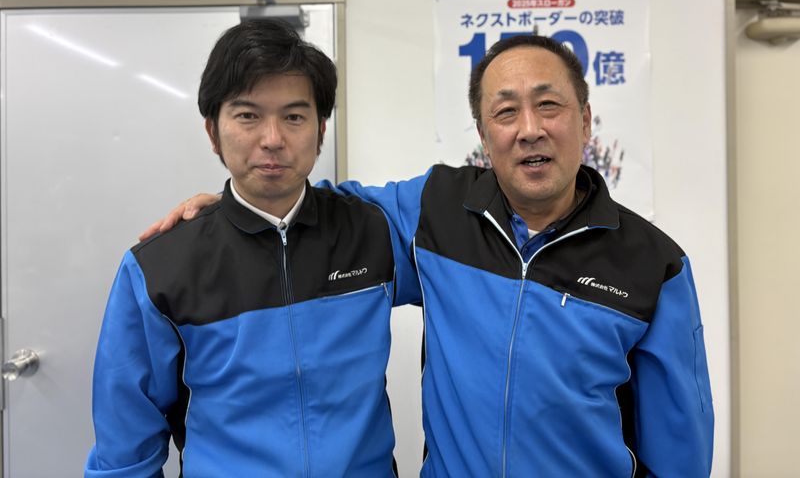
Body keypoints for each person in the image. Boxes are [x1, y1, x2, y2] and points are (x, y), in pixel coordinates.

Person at [146, 34, 714, 476]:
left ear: (585, 120)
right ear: (483, 134)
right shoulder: (436, 211)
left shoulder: (653, 265)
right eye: (506, 112)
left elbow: (679, 449)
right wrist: (233, 208)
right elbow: (324, 213)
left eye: (549, 106)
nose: (530, 129)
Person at [86, 20, 413, 477]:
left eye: (294, 117)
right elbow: (125, 448)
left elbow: (481, 200)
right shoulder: (160, 268)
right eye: (247, 115)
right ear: (212, 131)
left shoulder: (376, 230)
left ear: (321, 130)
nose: (272, 139)